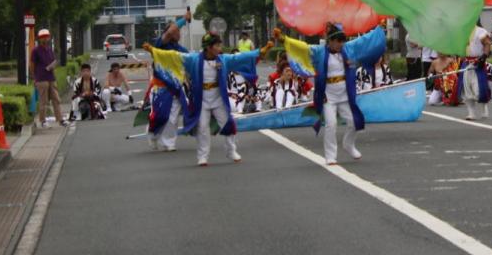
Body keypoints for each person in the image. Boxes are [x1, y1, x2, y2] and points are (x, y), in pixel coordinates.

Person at [275, 24, 386, 165]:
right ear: (330, 41)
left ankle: (348, 144)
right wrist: (284, 39)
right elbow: (302, 47)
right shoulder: (319, 52)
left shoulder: (348, 48)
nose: (341, 44)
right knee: (331, 124)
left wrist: (379, 29)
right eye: (338, 41)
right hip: (328, 95)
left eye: (342, 41)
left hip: (345, 94)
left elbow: (364, 40)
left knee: (354, 121)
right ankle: (330, 155)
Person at [160, 32, 272, 167]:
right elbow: (175, 56)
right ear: (208, 47)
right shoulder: (194, 59)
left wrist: (262, 51)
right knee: (202, 128)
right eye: (217, 45)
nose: (220, 48)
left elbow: (241, 57)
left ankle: (231, 151)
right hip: (201, 100)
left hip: (219, 98)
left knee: (228, 124)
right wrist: (153, 51)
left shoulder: (223, 59)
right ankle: (202, 156)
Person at [146, 21, 189, 152]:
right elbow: (169, 32)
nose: (178, 33)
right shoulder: (161, 45)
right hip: (159, 88)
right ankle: (152, 133)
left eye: (179, 31)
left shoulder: (182, 50)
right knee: (160, 116)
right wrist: (183, 19)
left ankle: (169, 143)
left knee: (173, 117)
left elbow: (188, 67)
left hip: (175, 88)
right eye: (176, 31)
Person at [30, 29, 65, 128]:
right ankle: (43, 120)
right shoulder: (35, 50)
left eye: (47, 36)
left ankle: (60, 119)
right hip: (41, 78)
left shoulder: (49, 49)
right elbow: (32, 65)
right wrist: (34, 77)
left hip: (51, 77)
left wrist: (53, 66)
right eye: (43, 37)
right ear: (39, 39)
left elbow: (53, 61)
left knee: (56, 99)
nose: (45, 38)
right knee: (43, 100)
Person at [460, 22, 492, 120]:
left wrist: (484, 56)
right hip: (466, 64)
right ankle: (471, 113)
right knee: (467, 90)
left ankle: (484, 107)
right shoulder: (462, 32)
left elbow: (487, 44)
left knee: (479, 89)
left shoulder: (480, 31)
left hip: (477, 63)